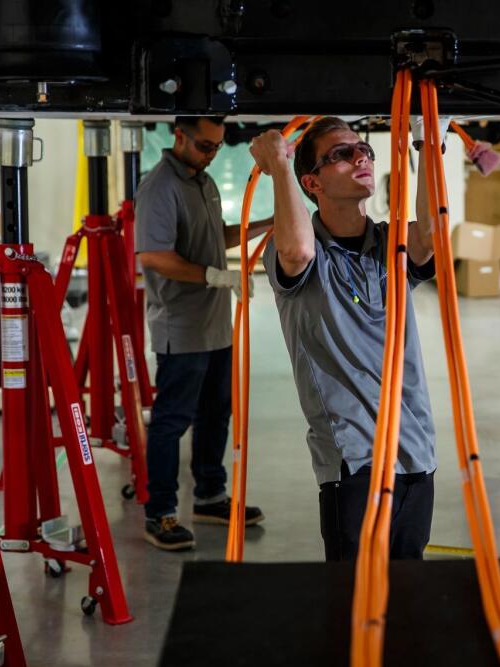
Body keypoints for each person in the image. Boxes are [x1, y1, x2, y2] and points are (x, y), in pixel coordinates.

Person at [250, 116, 437, 562]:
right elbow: (297, 251)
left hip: (414, 451)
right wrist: (279, 166)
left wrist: (428, 142)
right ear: (311, 182)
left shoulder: (391, 243)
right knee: (353, 596)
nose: (360, 158)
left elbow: (429, 236)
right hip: (353, 460)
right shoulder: (294, 249)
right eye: (341, 154)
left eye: (363, 151)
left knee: (409, 585)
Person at [135, 115, 267, 551]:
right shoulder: (160, 187)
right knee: (172, 421)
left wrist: (268, 223)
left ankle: (210, 496)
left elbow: (217, 237)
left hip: (215, 327)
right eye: (205, 146)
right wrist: (215, 277)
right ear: (179, 136)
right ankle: (161, 513)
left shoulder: (202, 181)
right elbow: (153, 256)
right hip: (182, 328)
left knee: (216, 413)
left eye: (217, 147)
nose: (212, 155)